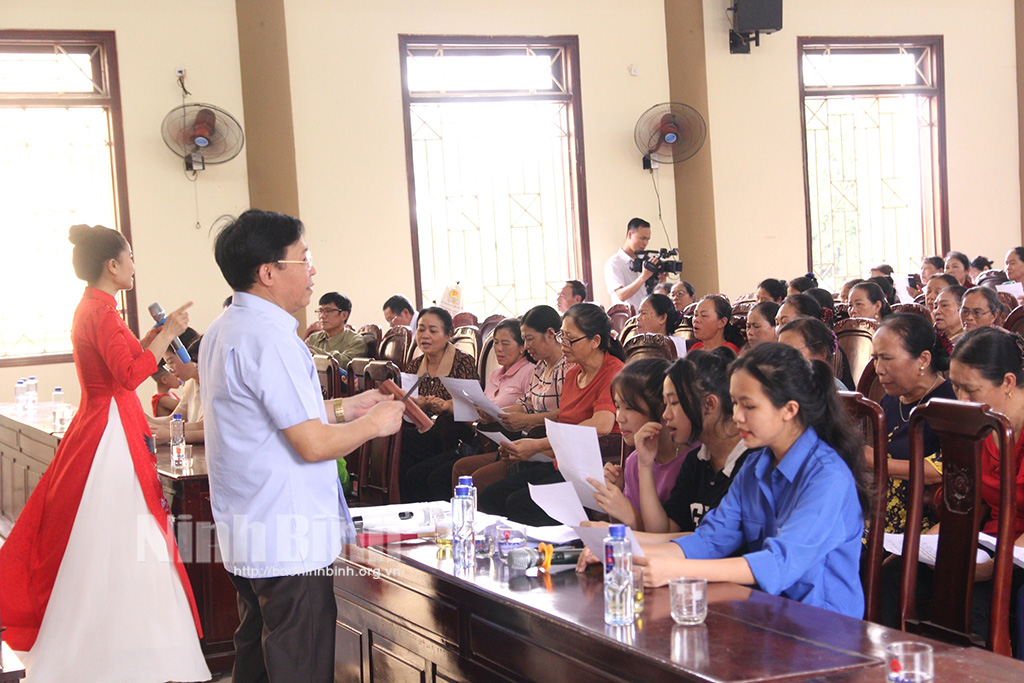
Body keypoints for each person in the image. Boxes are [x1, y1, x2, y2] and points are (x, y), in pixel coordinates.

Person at [200, 209, 405, 682]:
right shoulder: (273, 339)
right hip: (287, 534)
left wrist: (347, 408)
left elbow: (267, 420)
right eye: (303, 258)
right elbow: (311, 445)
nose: (312, 269)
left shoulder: (224, 328)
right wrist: (374, 424)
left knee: (255, 652)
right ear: (268, 272)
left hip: (248, 523)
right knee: (301, 661)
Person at [0, 224, 209, 681]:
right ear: (112, 265)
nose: (134, 265)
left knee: (108, 533)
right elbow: (131, 373)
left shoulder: (94, 309)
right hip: (110, 427)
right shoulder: (102, 312)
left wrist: (155, 335)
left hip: (104, 419)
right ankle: (128, 649)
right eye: (130, 257)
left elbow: (125, 361)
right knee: (127, 533)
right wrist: (168, 331)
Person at [630, 343, 870, 619]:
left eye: (749, 406)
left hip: (823, 629)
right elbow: (710, 540)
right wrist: (624, 551)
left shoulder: (828, 477)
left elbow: (778, 562)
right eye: (734, 403)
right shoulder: (757, 465)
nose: (737, 416)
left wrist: (675, 569)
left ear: (789, 410)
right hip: (767, 615)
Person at [882, 326, 1024, 639]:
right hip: (987, 544)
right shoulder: (981, 428)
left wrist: (992, 568)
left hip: (1017, 554)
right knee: (893, 576)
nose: (961, 399)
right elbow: (965, 502)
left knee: (972, 605)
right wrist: (929, 546)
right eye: (956, 387)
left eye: (970, 389)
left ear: (1009, 383)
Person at [479, 303, 625, 525]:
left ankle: (557, 553)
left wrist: (537, 446)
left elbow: (602, 424)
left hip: (595, 467)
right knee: (491, 496)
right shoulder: (573, 372)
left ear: (595, 341)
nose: (563, 345)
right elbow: (564, 427)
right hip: (564, 463)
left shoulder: (613, 372)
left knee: (519, 503)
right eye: (561, 336)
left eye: (569, 339)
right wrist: (526, 450)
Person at [404, 318, 534, 502]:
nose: (498, 349)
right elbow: (479, 411)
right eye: (496, 343)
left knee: (437, 476)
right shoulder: (496, 374)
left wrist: (490, 413)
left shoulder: (529, 371)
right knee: (417, 472)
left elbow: (527, 409)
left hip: (504, 441)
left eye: (506, 343)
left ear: (522, 347)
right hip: (479, 437)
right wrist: (451, 407)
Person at [451, 305, 567, 494]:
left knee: (481, 481)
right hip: (524, 440)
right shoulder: (540, 367)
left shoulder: (566, 368)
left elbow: (567, 414)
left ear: (550, 334)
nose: (527, 346)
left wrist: (526, 420)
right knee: (462, 468)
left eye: (529, 339)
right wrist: (499, 414)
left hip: (547, 444)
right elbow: (527, 403)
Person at [868, 313, 955, 533]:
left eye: (887, 358)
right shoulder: (890, 399)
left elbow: (947, 469)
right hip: (878, 514)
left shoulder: (950, 402)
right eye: (875, 358)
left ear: (923, 360)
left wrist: (873, 461)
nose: (878, 369)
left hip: (921, 523)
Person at [586, 358, 687, 530]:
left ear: (661, 409)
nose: (619, 417)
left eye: (629, 408)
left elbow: (666, 537)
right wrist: (615, 497)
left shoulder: (691, 460)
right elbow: (625, 533)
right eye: (617, 407)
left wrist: (629, 514)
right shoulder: (633, 461)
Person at [399, 306, 479, 501]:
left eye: (433, 331)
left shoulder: (463, 362)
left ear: (448, 335)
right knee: (396, 439)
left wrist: (445, 405)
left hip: (453, 432)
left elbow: (472, 407)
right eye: (420, 329)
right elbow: (405, 404)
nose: (425, 336)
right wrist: (417, 404)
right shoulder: (414, 365)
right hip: (421, 430)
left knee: (402, 444)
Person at [148, 336, 205, 444]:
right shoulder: (190, 384)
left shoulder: (214, 383)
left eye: (171, 362)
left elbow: (204, 427)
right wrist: (148, 421)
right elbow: (174, 420)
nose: (171, 370)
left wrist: (172, 434)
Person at [778, 317, 851, 390]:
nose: (782, 359)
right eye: (779, 352)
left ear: (821, 354)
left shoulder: (835, 392)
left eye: (791, 352)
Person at [605, 217, 658, 311]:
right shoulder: (614, 263)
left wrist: (660, 280)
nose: (645, 243)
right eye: (642, 238)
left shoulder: (644, 260)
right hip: (627, 320)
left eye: (648, 239)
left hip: (647, 317)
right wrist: (643, 277)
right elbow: (621, 295)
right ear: (630, 234)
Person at [305, 291, 368, 368]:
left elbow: (345, 364)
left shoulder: (356, 341)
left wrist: (312, 350)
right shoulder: (313, 339)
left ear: (344, 315)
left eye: (328, 311)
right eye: (320, 311)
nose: (322, 316)